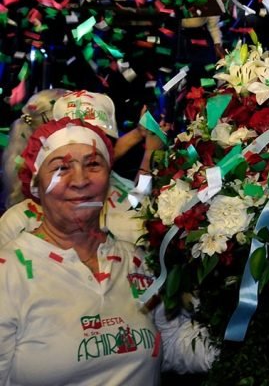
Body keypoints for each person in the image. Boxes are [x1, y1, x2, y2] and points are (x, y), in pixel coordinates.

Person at [0, 117, 215, 385]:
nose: (80, 180)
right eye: (60, 167)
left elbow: (173, 341)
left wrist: (251, 340)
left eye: (93, 164)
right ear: (35, 185)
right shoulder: (8, 274)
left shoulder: (134, 260)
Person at [0, 89, 163, 246]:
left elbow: (137, 203)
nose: (80, 180)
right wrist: (149, 153)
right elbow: (137, 210)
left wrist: (142, 138)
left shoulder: (113, 189)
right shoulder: (17, 222)